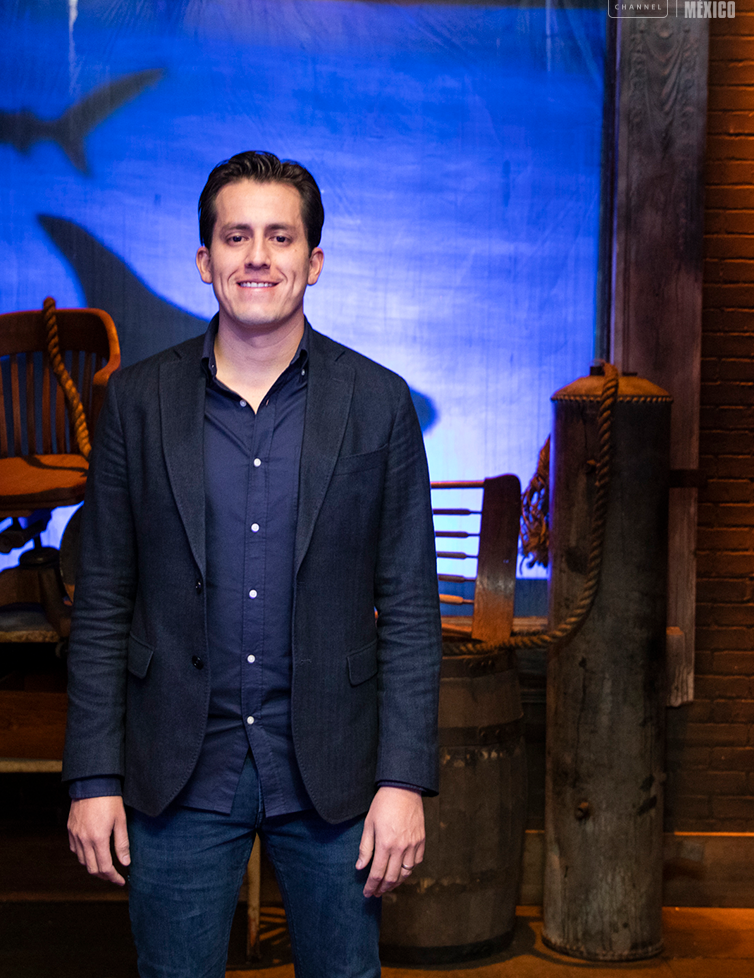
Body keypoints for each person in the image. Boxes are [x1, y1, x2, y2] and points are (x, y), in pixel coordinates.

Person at [64, 151, 441, 978]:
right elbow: (103, 603)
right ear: (205, 261)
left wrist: (405, 780)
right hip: (179, 769)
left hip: (336, 773)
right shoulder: (135, 403)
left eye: (280, 236)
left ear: (315, 260)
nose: (257, 257)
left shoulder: (380, 402)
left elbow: (412, 609)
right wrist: (92, 776)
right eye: (236, 237)